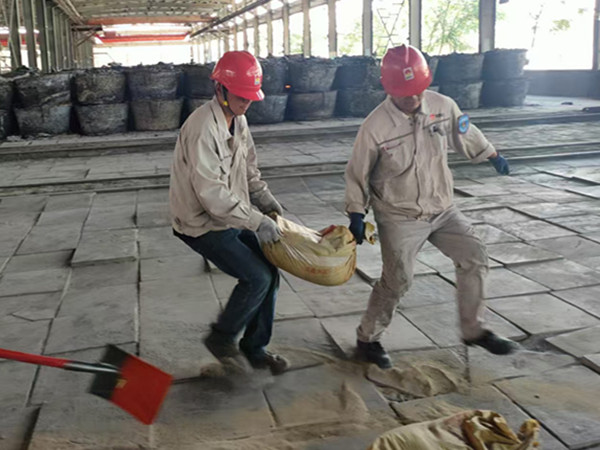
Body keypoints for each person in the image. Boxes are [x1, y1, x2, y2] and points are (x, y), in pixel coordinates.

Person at [345, 44, 517, 369]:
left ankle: (474, 330)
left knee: (475, 256)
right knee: (398, 280)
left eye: (417, 90)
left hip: (442, 209)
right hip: (399, 215)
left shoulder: (443, 106)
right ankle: (368, 339)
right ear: (389, 89)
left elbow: (465, 131)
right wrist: (356, 211)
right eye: (404, 93)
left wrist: (491, 154)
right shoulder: (375, 127)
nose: (412, 98)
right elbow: (357, 173)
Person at [169, 51, 289, 375]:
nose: (246, 103)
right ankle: (222, 338)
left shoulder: (239, 120)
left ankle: (255, 348)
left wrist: (265, 201)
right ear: (219, 88)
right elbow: (211, 195)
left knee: (270, 271)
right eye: (240, 96)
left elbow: (248, 170)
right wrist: (257, 221)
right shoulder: (202, 129)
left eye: (250, 97)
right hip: (200, 223)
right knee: (256, 277)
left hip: (230, 215)